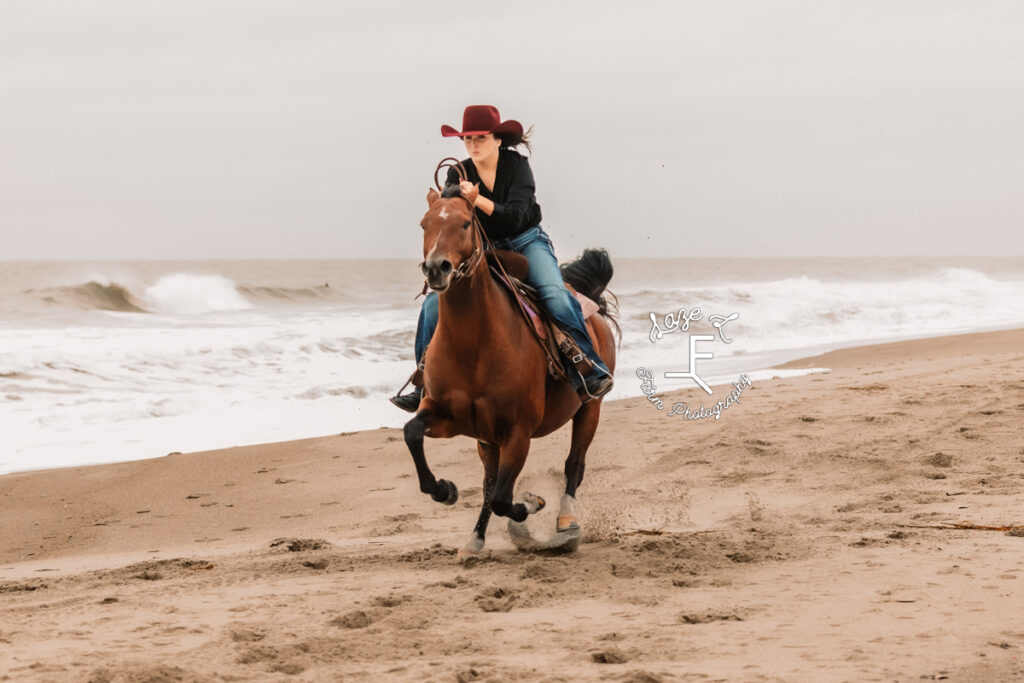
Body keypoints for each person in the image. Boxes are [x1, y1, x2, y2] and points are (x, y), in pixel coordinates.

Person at [390, 105, 614, 412]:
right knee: (432, 304)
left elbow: (517, 215)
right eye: (467, 139)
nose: (473, 144)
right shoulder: (458, 172)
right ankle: (424, 383)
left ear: (497, 139)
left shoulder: (517, 167)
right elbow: (455, 217)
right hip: (485, 248)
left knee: (553, 293)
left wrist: (476, 197)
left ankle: (588, 368)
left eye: (480, 137)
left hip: (526, 241)